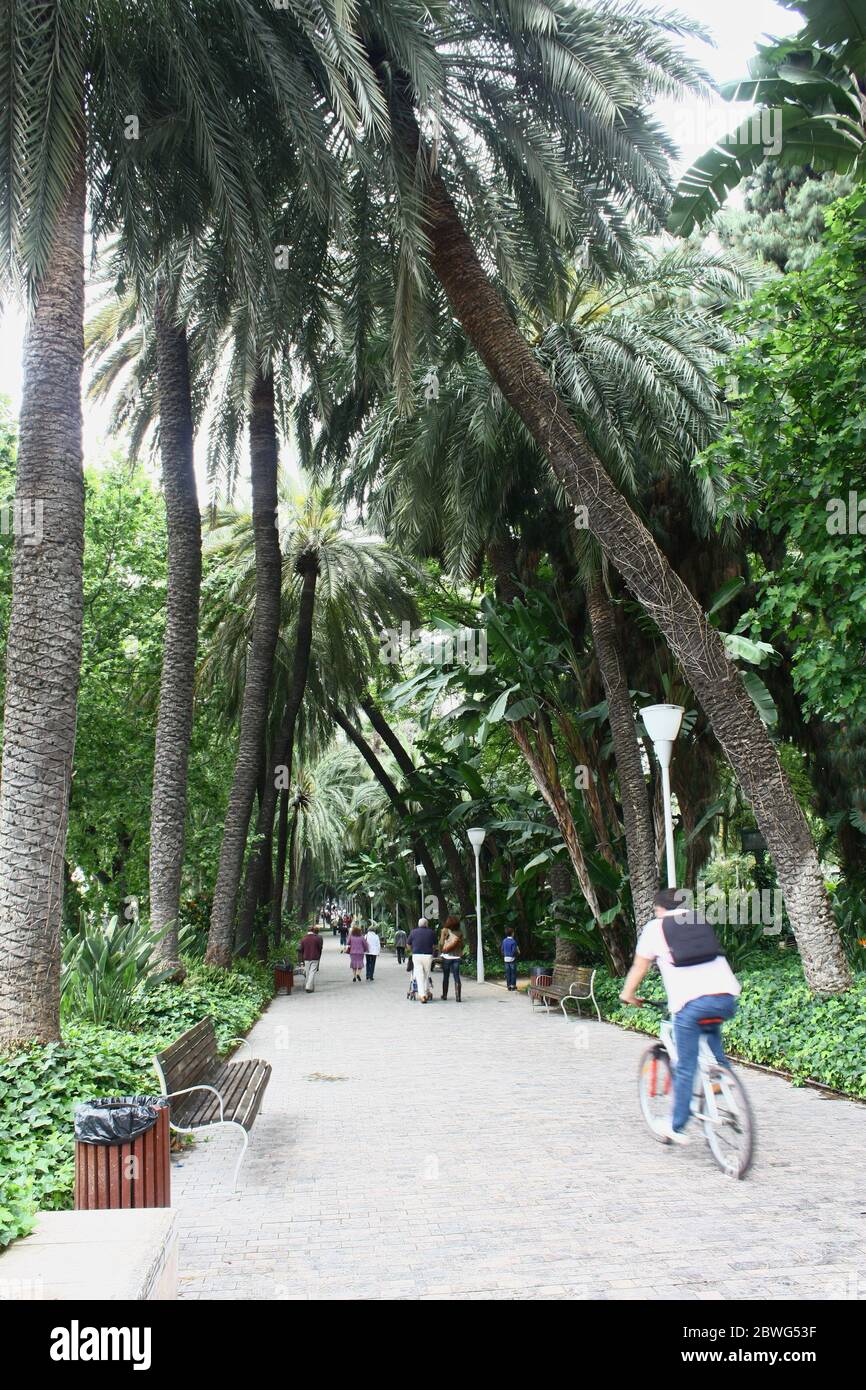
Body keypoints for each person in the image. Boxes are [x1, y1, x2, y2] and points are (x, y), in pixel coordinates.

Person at [619, 887, 741, 1144]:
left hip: (691, 1004)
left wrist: (628, 994)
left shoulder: (656, 928)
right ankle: (722, 1075)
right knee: (709, 1032)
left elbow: (640, 966)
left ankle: (676, 1126)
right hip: (726, 998)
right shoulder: (699, 920)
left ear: (660, 909)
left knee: (685, 1065)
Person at [408, 916, 436, 1003]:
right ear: (426, 924)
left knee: (419, 975)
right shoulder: (431, 932)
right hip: (427, 956)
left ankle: (422, 995)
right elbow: (435, 945)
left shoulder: (413, 932)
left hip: (416, 956)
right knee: (426, 975)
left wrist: (412, 950)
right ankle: (425, 993)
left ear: (418, 924)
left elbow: (408, 944)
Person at [438, 915, 464, 1001]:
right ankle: (458, 997)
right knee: (457, 976)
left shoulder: (445, 931)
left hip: (447, 957)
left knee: (446, 976)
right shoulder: (460, 933)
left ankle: (444, 995)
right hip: (456, 957)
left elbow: (441, 944)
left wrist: (443, 937)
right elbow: (462, 945)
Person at [299, 924, 324, 993]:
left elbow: (300, 950)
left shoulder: (303, 939)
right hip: (315, 957)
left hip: (306, 958)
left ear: (307, 930)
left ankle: (310, 987)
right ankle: (309, 987)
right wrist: (318, 954)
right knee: (312, 972)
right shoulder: (317, 938)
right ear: (313, 930)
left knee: (307, 972)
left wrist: (301, 961)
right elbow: (320, 948)